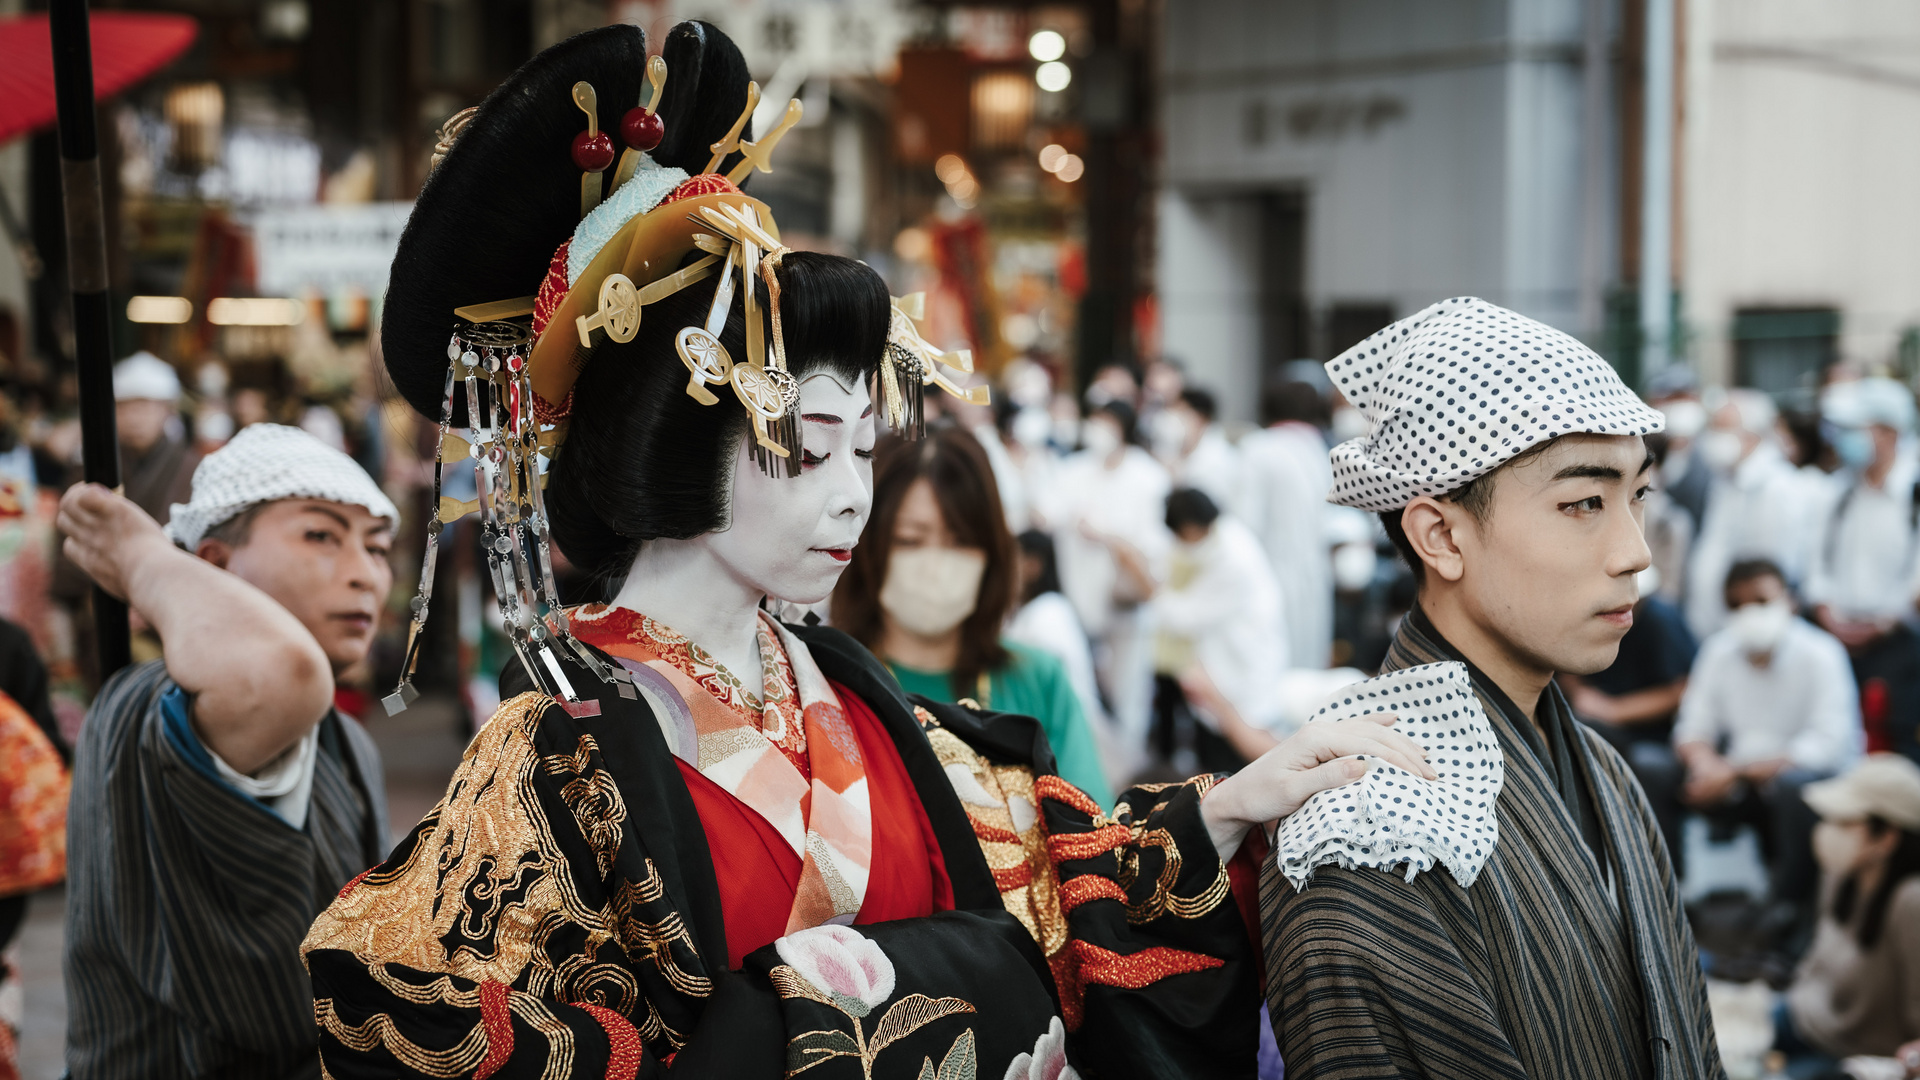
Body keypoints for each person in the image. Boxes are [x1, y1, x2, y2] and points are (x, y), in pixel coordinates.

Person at [300, 24, 1433, 1079]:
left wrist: (1229, 809)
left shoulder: (853, 694)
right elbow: (404, 1012)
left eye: (867, 452)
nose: (854, 496)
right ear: (672, 452)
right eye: (807, 444)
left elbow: (1045, 881)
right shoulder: (555, 749)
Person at [1262, 297, 1726, 1079]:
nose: (1633, 551)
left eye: (1637, 495)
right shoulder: (1374, 833)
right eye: (1583, 503)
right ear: (1440, 535)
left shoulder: (1607, 776)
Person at [58, 423, 395, 1079]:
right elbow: (282, 673)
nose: (364, 575)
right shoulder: (154, 702)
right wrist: (143, 559)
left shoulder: (345, 737)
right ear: (212, 565)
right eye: (321, 535)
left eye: (378, 548)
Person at [832, 424, 1112, 804]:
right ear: (865, 545)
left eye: (960, 541)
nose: (935, 564)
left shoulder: (1040, 681)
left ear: (991, 551)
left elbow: (1094, 832)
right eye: (910, 540)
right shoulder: (828, 684)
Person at [1673, 558, 1862, 917]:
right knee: (1654, 770)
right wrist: (1705, 765)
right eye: (1736, 605)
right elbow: (1692, 726)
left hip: (1809, 783)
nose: (1748, 613)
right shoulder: (1718, 651)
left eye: (1760, 601)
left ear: (1789, 601)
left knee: (1794, 788)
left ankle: (1787, 913)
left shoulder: (1822, 654)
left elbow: (1826, 746)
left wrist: (1734, 772)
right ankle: (1670, 896)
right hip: (1739, 780)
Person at [1777, 754, 1920, 1075]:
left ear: (1886, 837)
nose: (1827, 831)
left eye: (1844, 821)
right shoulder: (1840, 874)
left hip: (1854, 1054)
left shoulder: (1911, 902)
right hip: (1804, 1016)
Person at [1048, 398, 1171, 748]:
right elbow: (1048, 511)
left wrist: (1107, 537)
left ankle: (1128, 763)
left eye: (1107, 423)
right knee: (1082, 687)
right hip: (1079, 598)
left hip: (1126, 604)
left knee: (1129, 691)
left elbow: (1153, 544)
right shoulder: (1073, 470)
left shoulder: (1147, 476)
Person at [1561, 574, 1697, 869]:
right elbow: (1563, 662)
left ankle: (1665, 869)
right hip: (1596, 722)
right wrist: (1581, 692)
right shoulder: (1584, 614)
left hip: (1650, 735)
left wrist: (1613, 710)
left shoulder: (1660, 622)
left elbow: (1681, 689)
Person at [1152, 487, 1288, 774]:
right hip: (1226, 676)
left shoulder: (1232, 559)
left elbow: (1184, 617)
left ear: (1189, 527)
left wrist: (1146, 585)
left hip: (1240, 681)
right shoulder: (1224, 537)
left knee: (1234, 769)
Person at [1688, 389, 1834, 638]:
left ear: (1752, 433)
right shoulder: (1725, 481)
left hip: (1751, 631)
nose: (1714, 437)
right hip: (1714, 630)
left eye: (1723, 427)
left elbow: (1772, 570)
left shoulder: (1777, 488)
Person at [1808, 377, 1920, 659]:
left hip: (1899, 647)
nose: (1843, 438)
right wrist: (1829, 617)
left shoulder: (1913, 496)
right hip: (1835, 642)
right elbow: (1816, 563)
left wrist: (1881, 624)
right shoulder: (1836, 491)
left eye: (1855, 429)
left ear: (1889, 433)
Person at [1007, 528, 1122, 786]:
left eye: (1010, 559)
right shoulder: (1033, 611)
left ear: (1033, 564)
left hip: (1063, 734)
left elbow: (1039, 685)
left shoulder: (1047, 614)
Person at [1239, 377, 1335, 669]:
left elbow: (1244, 526)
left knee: (1269, 672)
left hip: (1266, 577)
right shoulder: (1321, 451)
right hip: (1315, 578)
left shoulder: (1258, 448)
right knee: (1306, 671)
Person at [110, 350, 199, 525]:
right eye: (123, 408)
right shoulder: (94, 465)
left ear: (167, 410)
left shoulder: (192, 468)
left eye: (143, 407)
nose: (133, 418)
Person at [1154, 387, 1242, 513]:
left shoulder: (1219, 459)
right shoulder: (1180, 451)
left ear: (1199, 418)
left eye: (1180, 413)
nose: (1172, 420)